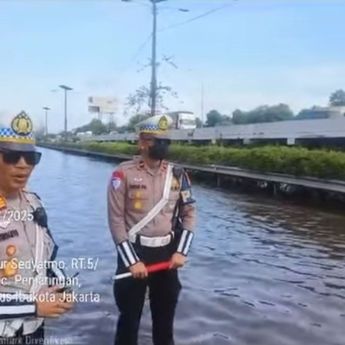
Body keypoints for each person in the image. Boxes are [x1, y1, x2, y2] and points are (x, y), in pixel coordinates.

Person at [108, 114, 196, 345]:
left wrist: (181, 252)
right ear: (142, 142)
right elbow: (116, 221)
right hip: (134, 252)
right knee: (129, 319)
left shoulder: (177, 174)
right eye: (157, 140)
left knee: (165, 319)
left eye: (166, 141)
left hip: (167, 254)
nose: (163, 145)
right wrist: (132, 261)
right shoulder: (123, 174)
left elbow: (189, 214)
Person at [0, 112, 74, 344]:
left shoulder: (34, 203)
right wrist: (33, 305)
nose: (23, 165)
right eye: (13, 156)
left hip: (33, 331)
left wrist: (62, 286)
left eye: (31, 157)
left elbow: (47, 258)